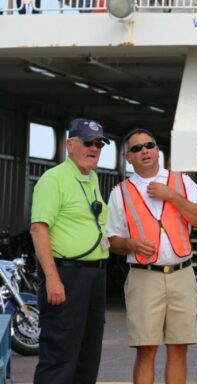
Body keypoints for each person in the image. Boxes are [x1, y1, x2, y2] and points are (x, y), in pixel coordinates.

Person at [106, 128, 197, 384]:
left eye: (149, 145)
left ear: (157, 150)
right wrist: (129, 243)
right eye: (136, 148)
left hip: (182, 274)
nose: (144, 151)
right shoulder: (120, 193)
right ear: (127, 158)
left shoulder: (181, 182)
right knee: (146, 349)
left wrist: (172, 196)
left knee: (179, 348)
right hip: (144, 277)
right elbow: (112, 241)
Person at [30, 118, 111, 384]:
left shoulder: (92, 178)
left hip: (94, 277)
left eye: (99, 144)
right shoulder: (54, 179)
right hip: (67, 275)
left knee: (88, 355)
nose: (94, 148)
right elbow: (39, 229)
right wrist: (52, 278)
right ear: (69, 145)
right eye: (87, 142)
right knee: (60, 355)